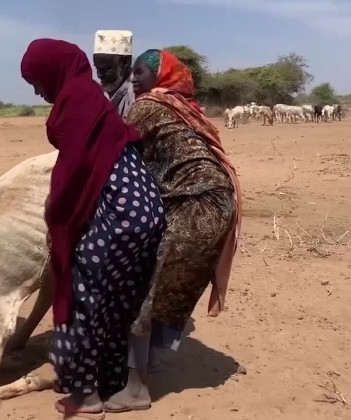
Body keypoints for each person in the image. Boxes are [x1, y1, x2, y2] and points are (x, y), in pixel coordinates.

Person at [21, 38, 167, 419]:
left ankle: (85, 395)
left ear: (53, 71)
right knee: (118, 296)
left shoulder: (76, 100)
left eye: (36, 82)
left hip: (121, 208)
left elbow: (72, 172)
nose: (37, 92)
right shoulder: (89, 95)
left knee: (81, 289)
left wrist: (56, 220)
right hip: (144, 205)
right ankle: (110, 379)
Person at [103, 49, 242, 413]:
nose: (134, 79)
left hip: (197, 205)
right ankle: (149, 361)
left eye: (140, 73)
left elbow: (112, 148)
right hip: (214, 201)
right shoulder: (180, 105)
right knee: (163, 284)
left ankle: (136, 389)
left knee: (142, 286)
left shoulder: (148, 106)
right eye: (132, 73)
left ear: (160, 76)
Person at [91, 30, 135, 118]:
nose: (99, 75)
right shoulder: (103, 95)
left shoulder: (135, 95)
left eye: (104, 69)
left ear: (125, 63)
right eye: (97, 68)